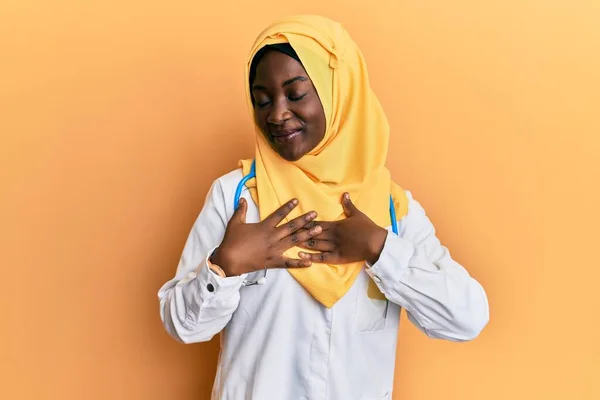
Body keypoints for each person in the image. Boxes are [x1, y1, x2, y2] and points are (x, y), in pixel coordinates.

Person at [158, 14, 489, 400]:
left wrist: (381, 250)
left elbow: (466, 319)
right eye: (261, 100)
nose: (276, 114)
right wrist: (225, 266)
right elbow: (183, 327)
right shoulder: (237, 200)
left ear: (338, 92)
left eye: (295, 94)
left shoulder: (391, 211)